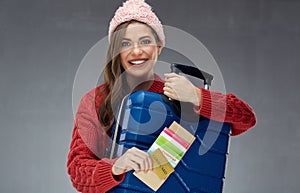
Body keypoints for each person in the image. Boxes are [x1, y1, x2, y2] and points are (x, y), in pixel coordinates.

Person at [67, 0, 256, 192]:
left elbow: (246, 117)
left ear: (158, 47)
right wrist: (116, 166)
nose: (137, 51)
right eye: (126, 43)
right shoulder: (96, 100)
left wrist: (196, 96)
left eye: (145, 41)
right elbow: (77, 171)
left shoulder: (177, 95)